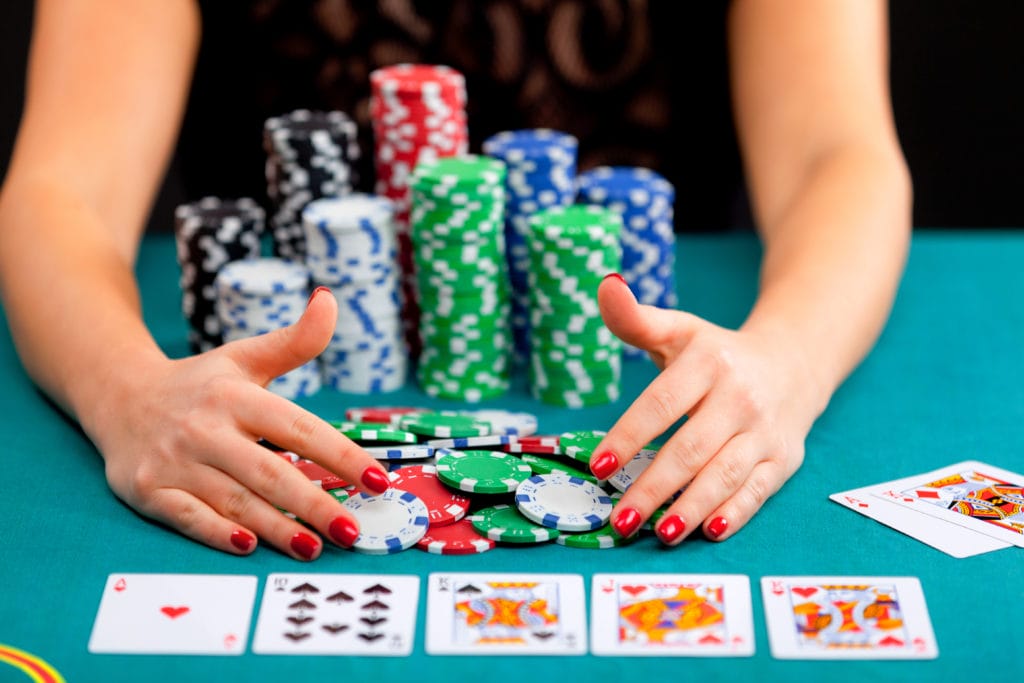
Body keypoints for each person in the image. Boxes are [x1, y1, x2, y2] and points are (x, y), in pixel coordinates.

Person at [0, 0, 911, 559]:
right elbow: (59, 189)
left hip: (623, 347)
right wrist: (125, 391)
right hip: (314, 341)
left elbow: (840, 154)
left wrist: (789, 358)